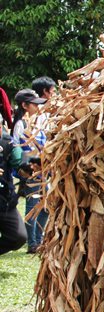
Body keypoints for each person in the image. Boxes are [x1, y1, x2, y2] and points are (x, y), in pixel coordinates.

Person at [11, 89, 48, 253]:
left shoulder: (38, 121)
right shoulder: (21, 125)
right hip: (31, 171)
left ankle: (38, 239)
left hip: (44, 170)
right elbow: (22, 151)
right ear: (25, 105)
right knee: (33, 207)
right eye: (34, 104)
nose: (38, 107)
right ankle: (33, 243)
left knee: (46, 207)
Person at [0, 125, 27, 255]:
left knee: (18, 237)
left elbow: (20, 161)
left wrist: (31, 166)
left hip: (5, 201)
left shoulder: (7, 142)